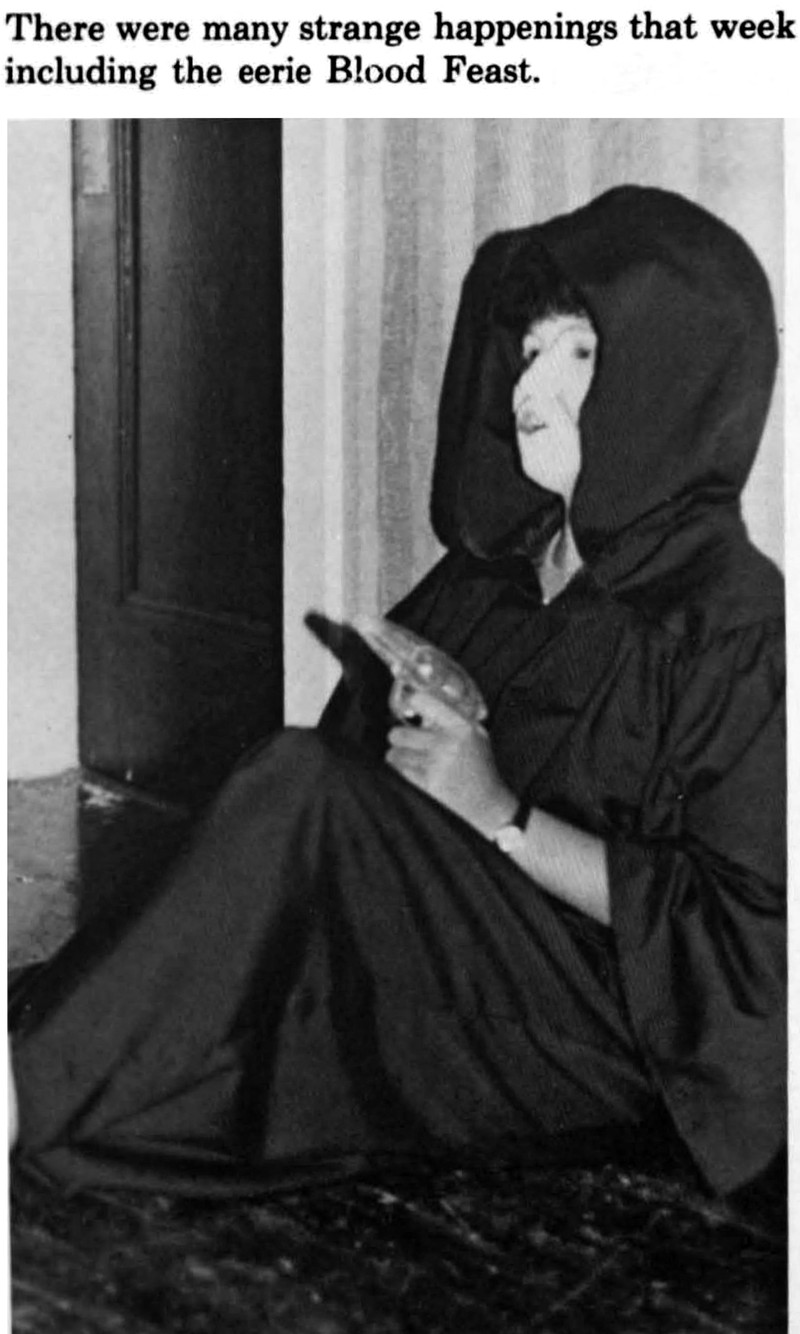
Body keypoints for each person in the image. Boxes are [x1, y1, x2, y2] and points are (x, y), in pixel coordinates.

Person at [9, 185, 785, 1200]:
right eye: (531, 350)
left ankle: (29, 1084)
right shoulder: (497, 567)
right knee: (210, 1019)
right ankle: (47, 1065)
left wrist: (498, 812)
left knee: (277, 841)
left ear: (671, 376)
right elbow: (346, 820)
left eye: (580, 354)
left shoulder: (732, 625)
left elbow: (745, 946)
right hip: (444, 958)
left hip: (611, 1032)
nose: (530, 383)